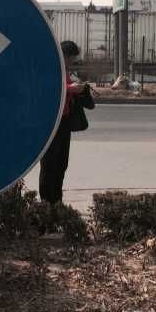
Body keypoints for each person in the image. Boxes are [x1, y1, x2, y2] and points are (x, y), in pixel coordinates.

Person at [39, 40, 95, 204]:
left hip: (64, 123)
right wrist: (72, 88)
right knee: (49, 165)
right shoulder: (50, 67)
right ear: (63, 55)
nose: (72, 62)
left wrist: (81, 88)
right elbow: (50, 88)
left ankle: (57, 201)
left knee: (61, 164)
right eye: (70, 58)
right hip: (51, 124)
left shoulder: (66, 72)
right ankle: (46, 203)